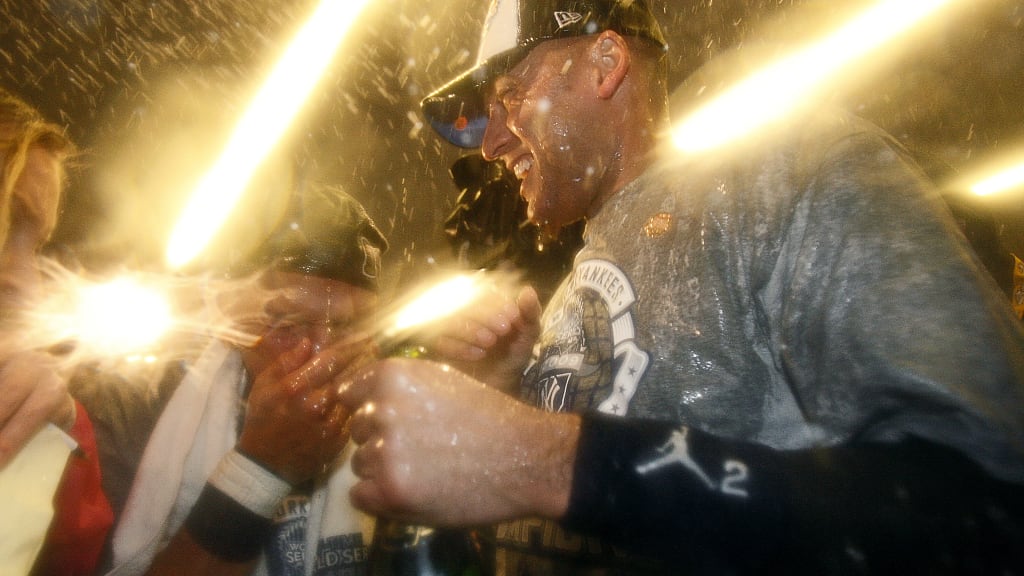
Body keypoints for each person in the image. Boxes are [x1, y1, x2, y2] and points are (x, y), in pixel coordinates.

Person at [338, 0, 1024, 573]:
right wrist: (507, 390)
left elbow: (983, 506)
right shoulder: (576, 286)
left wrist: (545, 460)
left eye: (510, 93)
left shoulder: (791, 176)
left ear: (606, 64)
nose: (490, 144)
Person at [100, 181, 387, 576]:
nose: (323, 352)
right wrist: (260, 470)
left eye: (348, 328)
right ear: (227, 316)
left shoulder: (390, 431)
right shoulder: (134, 410)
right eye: (289, 321)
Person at [0, 86, 115, 576]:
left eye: (36, 247)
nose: (28, 286)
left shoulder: (51, 416)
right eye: (6, 227)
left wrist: (61, 434)